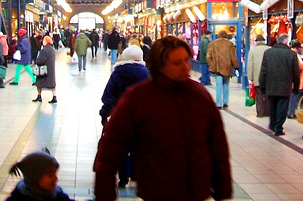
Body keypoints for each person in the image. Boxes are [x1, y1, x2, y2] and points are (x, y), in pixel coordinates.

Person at [94, 36, 232, 201]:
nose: (185, 67)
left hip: (197, 191)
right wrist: (105, 191)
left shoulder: (199, 96)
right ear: (160, 65)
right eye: (177, 63)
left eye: (186, 60)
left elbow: (218, 145)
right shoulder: (139, 98)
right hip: (156, 190)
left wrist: (222, 187)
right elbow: (112, 147)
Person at [99, 44, 150, 188]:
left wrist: (105, 113)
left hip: (119, 115)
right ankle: (135, 173)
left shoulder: (117, 73)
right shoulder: (145, 73)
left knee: (122, 146)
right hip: (140, 117)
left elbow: (108, 95)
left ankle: (123, 176)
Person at [259, 33, 301, 136]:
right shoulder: (291, 55)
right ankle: (278, 127)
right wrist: (296, 87)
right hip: (285, 86)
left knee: (272, 105)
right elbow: (296, 73)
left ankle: (272, 124)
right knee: (282, 107)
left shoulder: (268, 53)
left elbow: (263, 71)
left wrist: (262, 86)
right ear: (286, 42)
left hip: (271, 85)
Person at [6, 150, 74, 201]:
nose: (56, 179)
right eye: (50, 175)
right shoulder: (18, 197)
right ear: (34, 178)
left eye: (55, 173)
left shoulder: (57, 195)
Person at [206, 30, 239, 109]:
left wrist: (212, 65)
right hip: (227, 68)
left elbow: (208, 57)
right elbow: (233, 56)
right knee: (226, 85)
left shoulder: (212, 44)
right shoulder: (230, 44)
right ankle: (225, 102)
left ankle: (218, 104)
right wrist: (236, 66)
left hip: (217, 68)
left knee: (218, 86)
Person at [246, 34, 271, 118]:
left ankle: (260, 113)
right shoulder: (270, 49)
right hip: (268, 77)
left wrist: (250, 78)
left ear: (256, 42)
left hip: (257, 78)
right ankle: (267, 112)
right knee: (268, 96)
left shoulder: (253, 51)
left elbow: (250, 66)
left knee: (259, 96)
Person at [287, 40, 303, 118]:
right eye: (297, 48)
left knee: (292, 97)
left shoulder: (289, 54)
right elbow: (300, 66)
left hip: (290, 80)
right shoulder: (294, 55)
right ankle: (291, 112)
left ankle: (290, 111)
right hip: (296, 80)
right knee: (294, 97)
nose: (298, 49)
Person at [34, 35, 57, 103]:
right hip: (51, 70)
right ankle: (54, 97)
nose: (42, 42)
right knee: (52, 85)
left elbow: (40, 61)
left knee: (39, 83)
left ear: (46, 41)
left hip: (44, 70)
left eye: (44, 40)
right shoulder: (52, 50)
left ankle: (39, 96)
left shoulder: (44, 50)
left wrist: (36, 60)